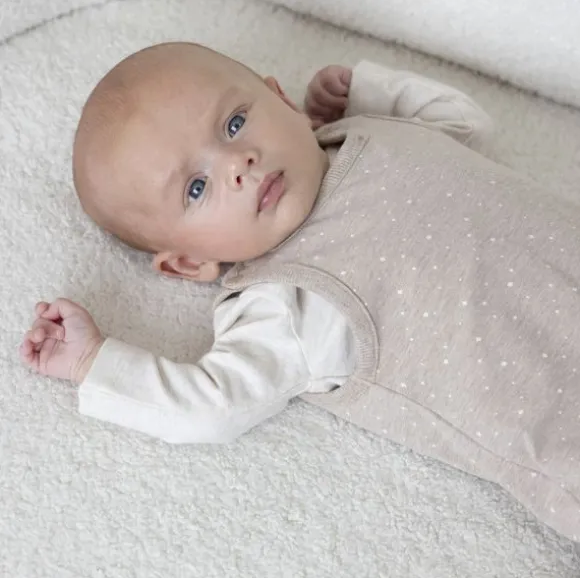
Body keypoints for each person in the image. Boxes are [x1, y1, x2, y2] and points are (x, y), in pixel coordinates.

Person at [20, 42, 580, 541]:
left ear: (281, 99)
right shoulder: (284, 301)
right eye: (197, 187)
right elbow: (211, 405)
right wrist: (93, 363)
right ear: (189, 262)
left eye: (234, 123)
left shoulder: (367, 129)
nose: (237, 164)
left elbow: (464, 123)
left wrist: (368, 91)